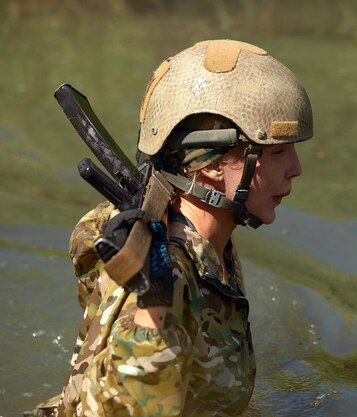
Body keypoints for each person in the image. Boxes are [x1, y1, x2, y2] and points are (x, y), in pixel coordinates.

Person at [33, 38, 313, 417]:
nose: (296, 168)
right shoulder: (162, 276)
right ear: (213, 165)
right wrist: (153, 307)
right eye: (278, 152)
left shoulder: (208, 243)